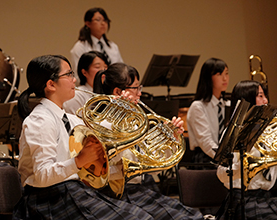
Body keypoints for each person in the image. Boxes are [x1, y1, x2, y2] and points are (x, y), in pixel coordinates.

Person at [12, 54, 154, 220]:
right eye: (69, 74)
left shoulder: (71, 119)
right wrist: (78, 161)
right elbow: (42, 175)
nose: (74, 79)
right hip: (47, 199)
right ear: (51, 84)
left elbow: (107, 133)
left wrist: (121, 109)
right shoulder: (39, 120)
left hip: (72, 192)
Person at [93, 62, 205, 220]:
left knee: (193, 215)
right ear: (119, 91)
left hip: (139, 189)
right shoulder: (101, 124)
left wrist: (168, 139)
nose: (140, 93)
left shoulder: (136, 122)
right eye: (136, 88)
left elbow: (152, 169)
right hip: (115, 194)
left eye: (140, 87)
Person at [216, 80, 276, 220]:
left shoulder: (270, 130)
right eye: (260, 96)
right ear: (247, 99)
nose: (266, 100)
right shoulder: (233, 133)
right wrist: (243, 168)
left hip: (268, 197)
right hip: (243, 200)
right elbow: (221, 173)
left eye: (264, 95)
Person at [187, 58, 230, 164]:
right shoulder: (198, 107)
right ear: (208, 78)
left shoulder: (228, 105)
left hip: (225, 157)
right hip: (204, 159)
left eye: (226, 74)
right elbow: (206, 143)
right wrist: (224, 160)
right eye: (219, 75)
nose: (225, 79)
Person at [70, 7, 123, 82]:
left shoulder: (112, 46)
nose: (103, 23)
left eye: (105, 20)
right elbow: (78, 75)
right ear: (88, 23)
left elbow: (120, 70)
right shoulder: (80, 47)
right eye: (98, 20)